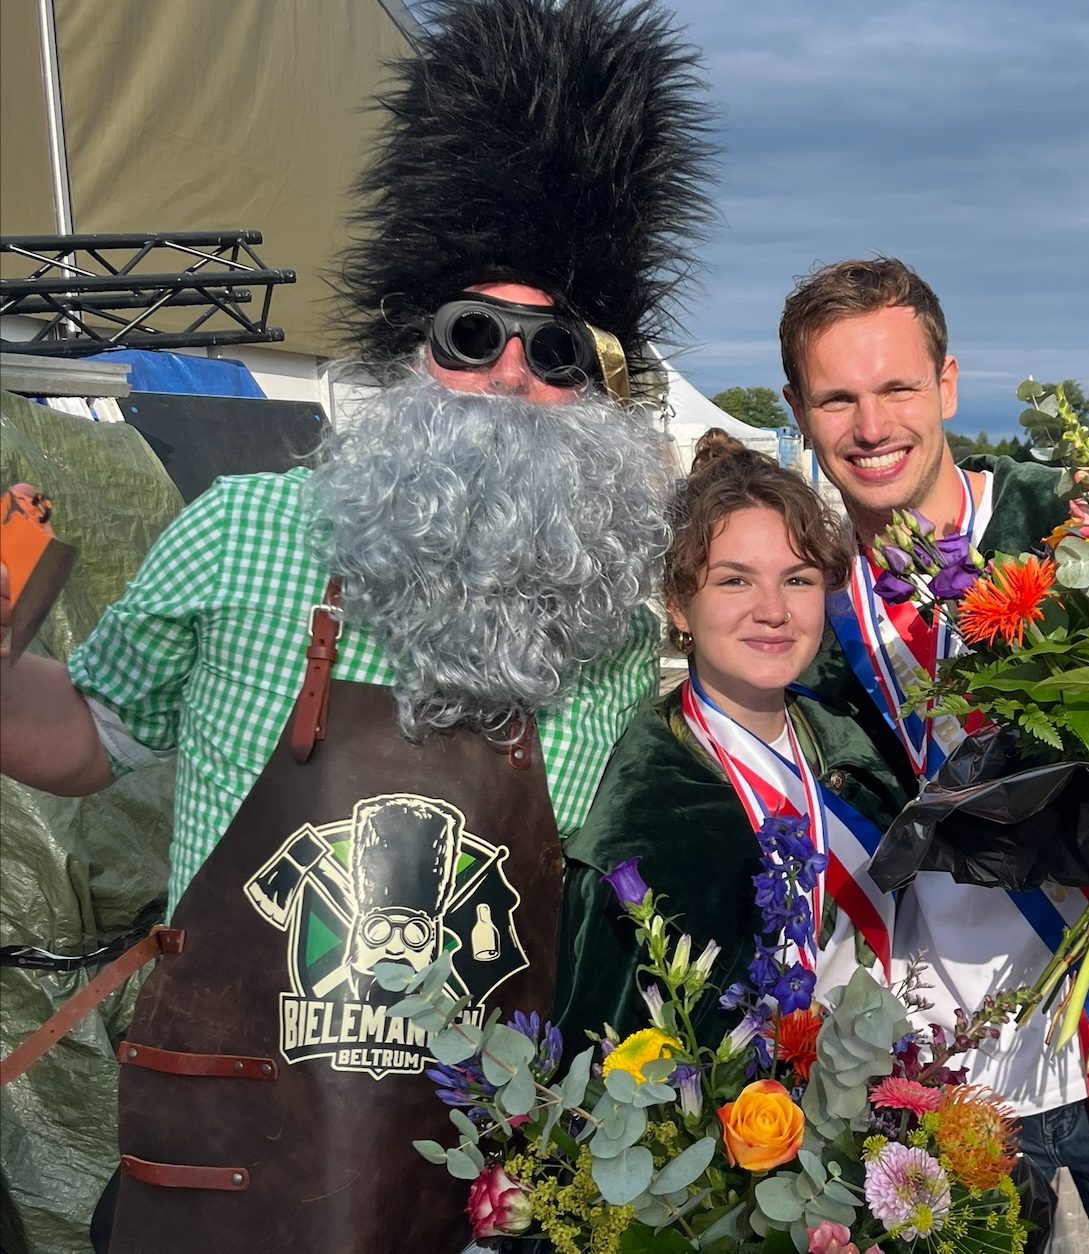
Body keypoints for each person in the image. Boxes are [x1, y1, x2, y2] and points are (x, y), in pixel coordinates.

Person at [0, 2, 714, 1250]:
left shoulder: (610, 617)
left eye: (556, 350)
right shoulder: (247, 532)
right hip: (220, 1187)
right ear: (406, 353)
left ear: (599, 394)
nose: (508, 378)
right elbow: (84, 737)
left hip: (480, 1197)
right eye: (471, 334)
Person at [780, 257, 1089, 1254]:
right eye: (837, 397)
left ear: (949, 384)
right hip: (933, 1085)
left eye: (897, 387)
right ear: (798, 409)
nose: (871, 427)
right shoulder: (799, 601)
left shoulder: (1076, 528)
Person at [555, 431, 908, 1047]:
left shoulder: (860, 746)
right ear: (678, 606)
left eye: (797, 580)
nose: (773, 610)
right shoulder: (640, 814)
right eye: (735, 581)